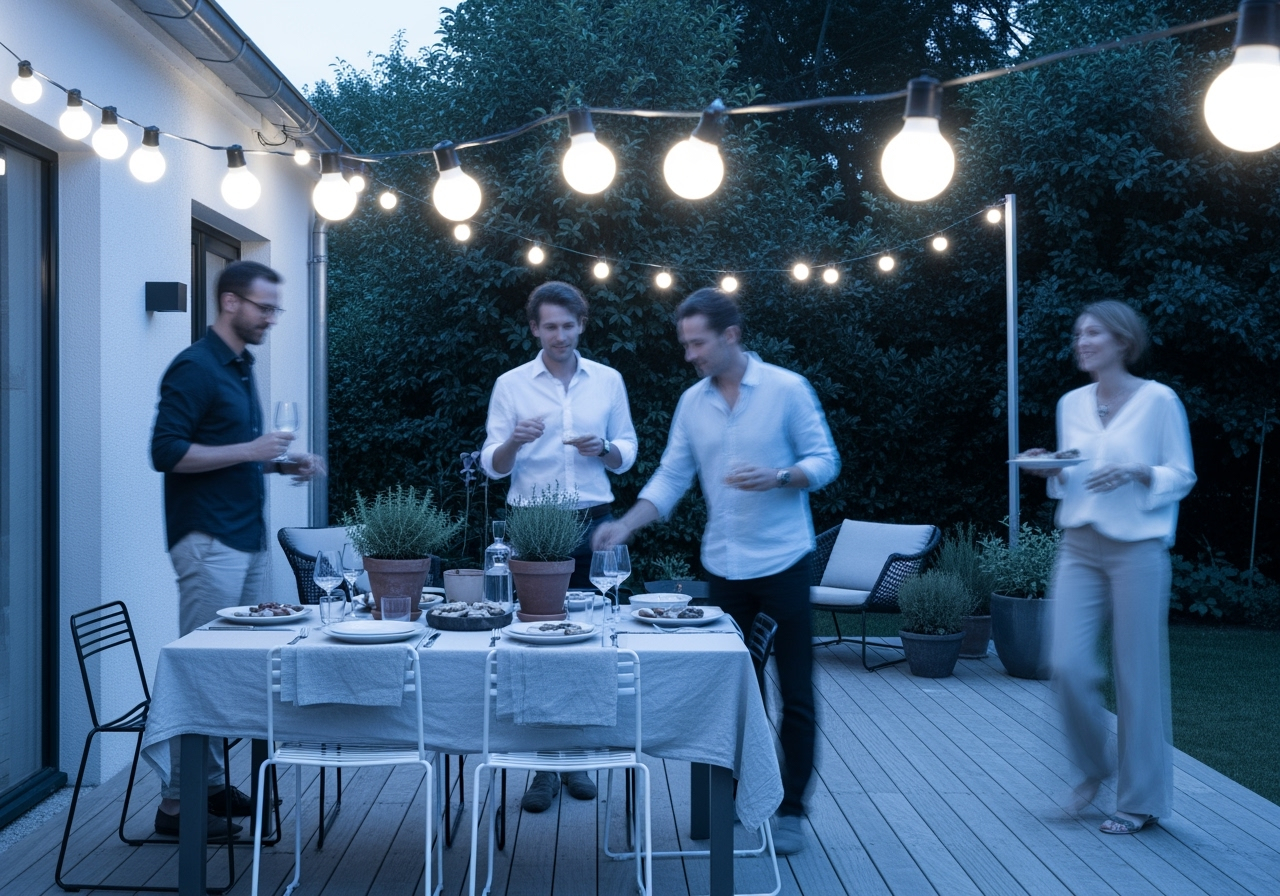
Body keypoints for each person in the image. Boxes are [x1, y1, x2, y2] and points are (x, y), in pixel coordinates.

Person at [593, 287, 840, 855]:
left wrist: (780, 476)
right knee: (731, 694)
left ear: (730, 336)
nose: (690, 355)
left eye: (698, 343)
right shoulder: (691, 403)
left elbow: (825, 462)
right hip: (725, 568)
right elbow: (672, 477)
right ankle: (736, 799)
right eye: (685, 344)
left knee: (796, 691)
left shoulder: (786, 389)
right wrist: (625, 525)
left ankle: (792, 809)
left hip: (784, 562)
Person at [149, 260, 326, 838]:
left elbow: (237, 451)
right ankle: (178, 807)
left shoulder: (241, 366)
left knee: (234, 670)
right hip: (207, 541)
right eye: (264, 307)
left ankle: (212, 784)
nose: (271, 318)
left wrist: (280, 462)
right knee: (202, 672)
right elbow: (167, 453)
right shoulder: (195, 367)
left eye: (276, 309)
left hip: (244, 539)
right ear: (230, 302)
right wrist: (253, 451)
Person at [1022, 300, 1195, 835]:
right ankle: (1094, 769)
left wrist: (1139, 471)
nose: (1082, 341)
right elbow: (1073, 472)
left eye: (1093, 333)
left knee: (1137, 674)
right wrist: (1048, 468)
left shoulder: (1159, 401)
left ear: (1122, 340)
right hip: (1079, 545)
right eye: (1078, 334)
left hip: (1137, 551)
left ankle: (1140, 800)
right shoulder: (1071, 402)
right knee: (1066, 663)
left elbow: (1182, 473)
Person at [480, 280, 638, 813]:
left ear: (581, 325)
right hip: (534, 520)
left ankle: (581, 755)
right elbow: (491, 464)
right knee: (535, 641)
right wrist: (513, 443)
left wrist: (608, 449)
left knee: (593, 638)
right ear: (534, 328)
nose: (560, 335)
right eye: (550, 326)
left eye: (569, 325)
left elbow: (630, 449)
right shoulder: (511, 384)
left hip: (595, 519)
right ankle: (544, 765)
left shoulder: (608, 381)